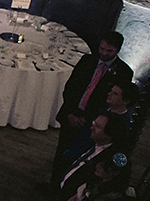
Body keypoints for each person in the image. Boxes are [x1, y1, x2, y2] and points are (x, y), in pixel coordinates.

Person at [51, 31, 132, 187]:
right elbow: (71, 88)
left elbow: (111, 103)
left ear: (117, 50)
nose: (103, 53)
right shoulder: (87, 60)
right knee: (62, 150)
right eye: (101, 48)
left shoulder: (123, 72)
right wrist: (70, 113)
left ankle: (67, 186)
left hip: (94, 122)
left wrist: (89, 120)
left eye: (109, 51)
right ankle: (54, 184)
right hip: (73, 114)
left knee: (79, 156)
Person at [56, 112, 127, 201]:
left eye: (97, 127)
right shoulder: (92, 141)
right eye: (93, 124)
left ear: (109, 134)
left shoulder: (112, 160)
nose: (91, 128)